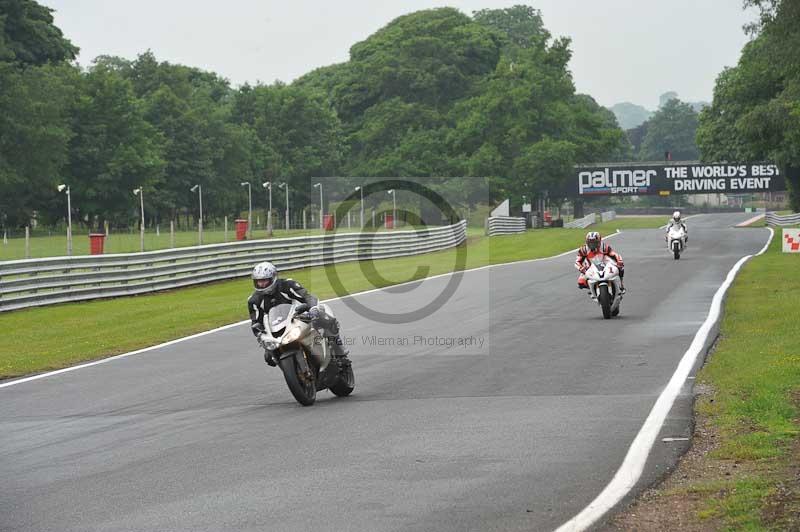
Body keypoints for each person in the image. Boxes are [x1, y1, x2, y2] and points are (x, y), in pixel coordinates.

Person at [247, 261, 350, 367]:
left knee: (324, 316)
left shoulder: (287, 285)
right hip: (278, 328)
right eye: (258, 281)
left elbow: (307, 297)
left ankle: (339, 348)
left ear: (273, 278)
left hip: (300, 316)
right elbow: (256, 323)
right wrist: (261, 336)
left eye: (264, 281)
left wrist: (313, 309)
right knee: (269, 357)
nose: (261, 284)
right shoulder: (254, 300)